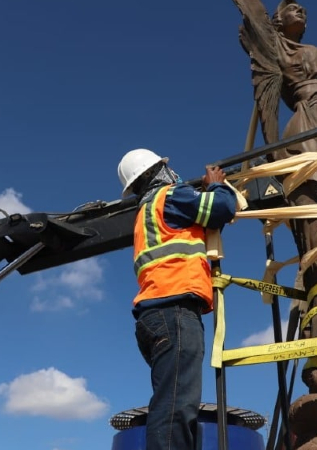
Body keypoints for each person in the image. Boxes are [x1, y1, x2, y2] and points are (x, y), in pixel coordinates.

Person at [116, 148, 238, 450]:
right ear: (157, 171)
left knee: (172, 400)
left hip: (155, 316)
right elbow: (221, 208)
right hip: (174, 311)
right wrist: (217, 185)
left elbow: (205, 222)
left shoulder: (146, 213)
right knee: (176, 406)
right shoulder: (171, 196)